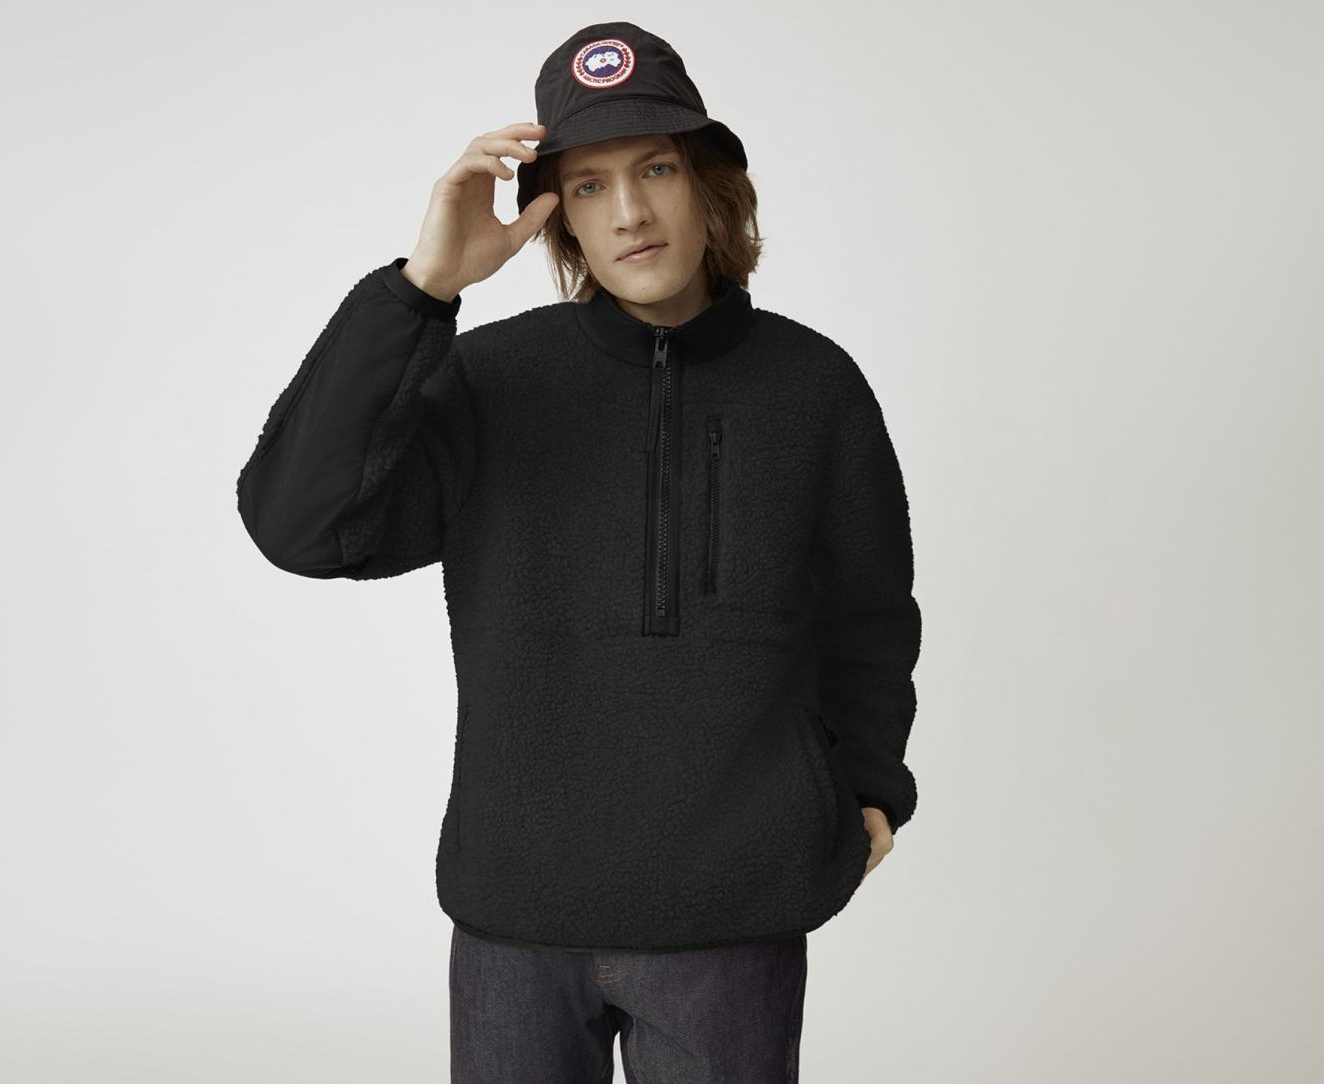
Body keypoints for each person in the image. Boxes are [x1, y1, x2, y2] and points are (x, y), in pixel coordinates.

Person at [236, 20, 922, 1083]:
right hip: (514, 919)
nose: (630, 211)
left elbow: (869, 615)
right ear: (556, 214)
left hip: (735, 915)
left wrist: (868, 785)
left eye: (656, 169)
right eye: (590, 185)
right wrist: (422, 289)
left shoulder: (814, 388)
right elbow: (301, 525)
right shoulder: (487, 380)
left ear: (710, 186)